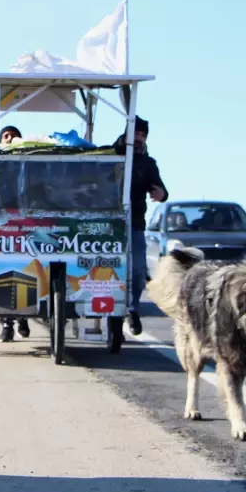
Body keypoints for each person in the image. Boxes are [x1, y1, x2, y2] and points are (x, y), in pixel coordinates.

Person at [112, 116, 167, 336]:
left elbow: (161, 188)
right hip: (107, 224)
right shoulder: (111, 155)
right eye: (136, 133)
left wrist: (162, 195)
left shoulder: (148, 163)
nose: (139, 138)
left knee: (137, 270)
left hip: (135, 223)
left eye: (143, 135)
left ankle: (132, 309)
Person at [0, 125, 31, 341]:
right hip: (1, 225)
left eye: (14, 136)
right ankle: (7, 324)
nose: (9, 139)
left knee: (25, 272)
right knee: (5, 273)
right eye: (6, 136)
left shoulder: (29, 165)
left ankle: (24, 317)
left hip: (28, 225)